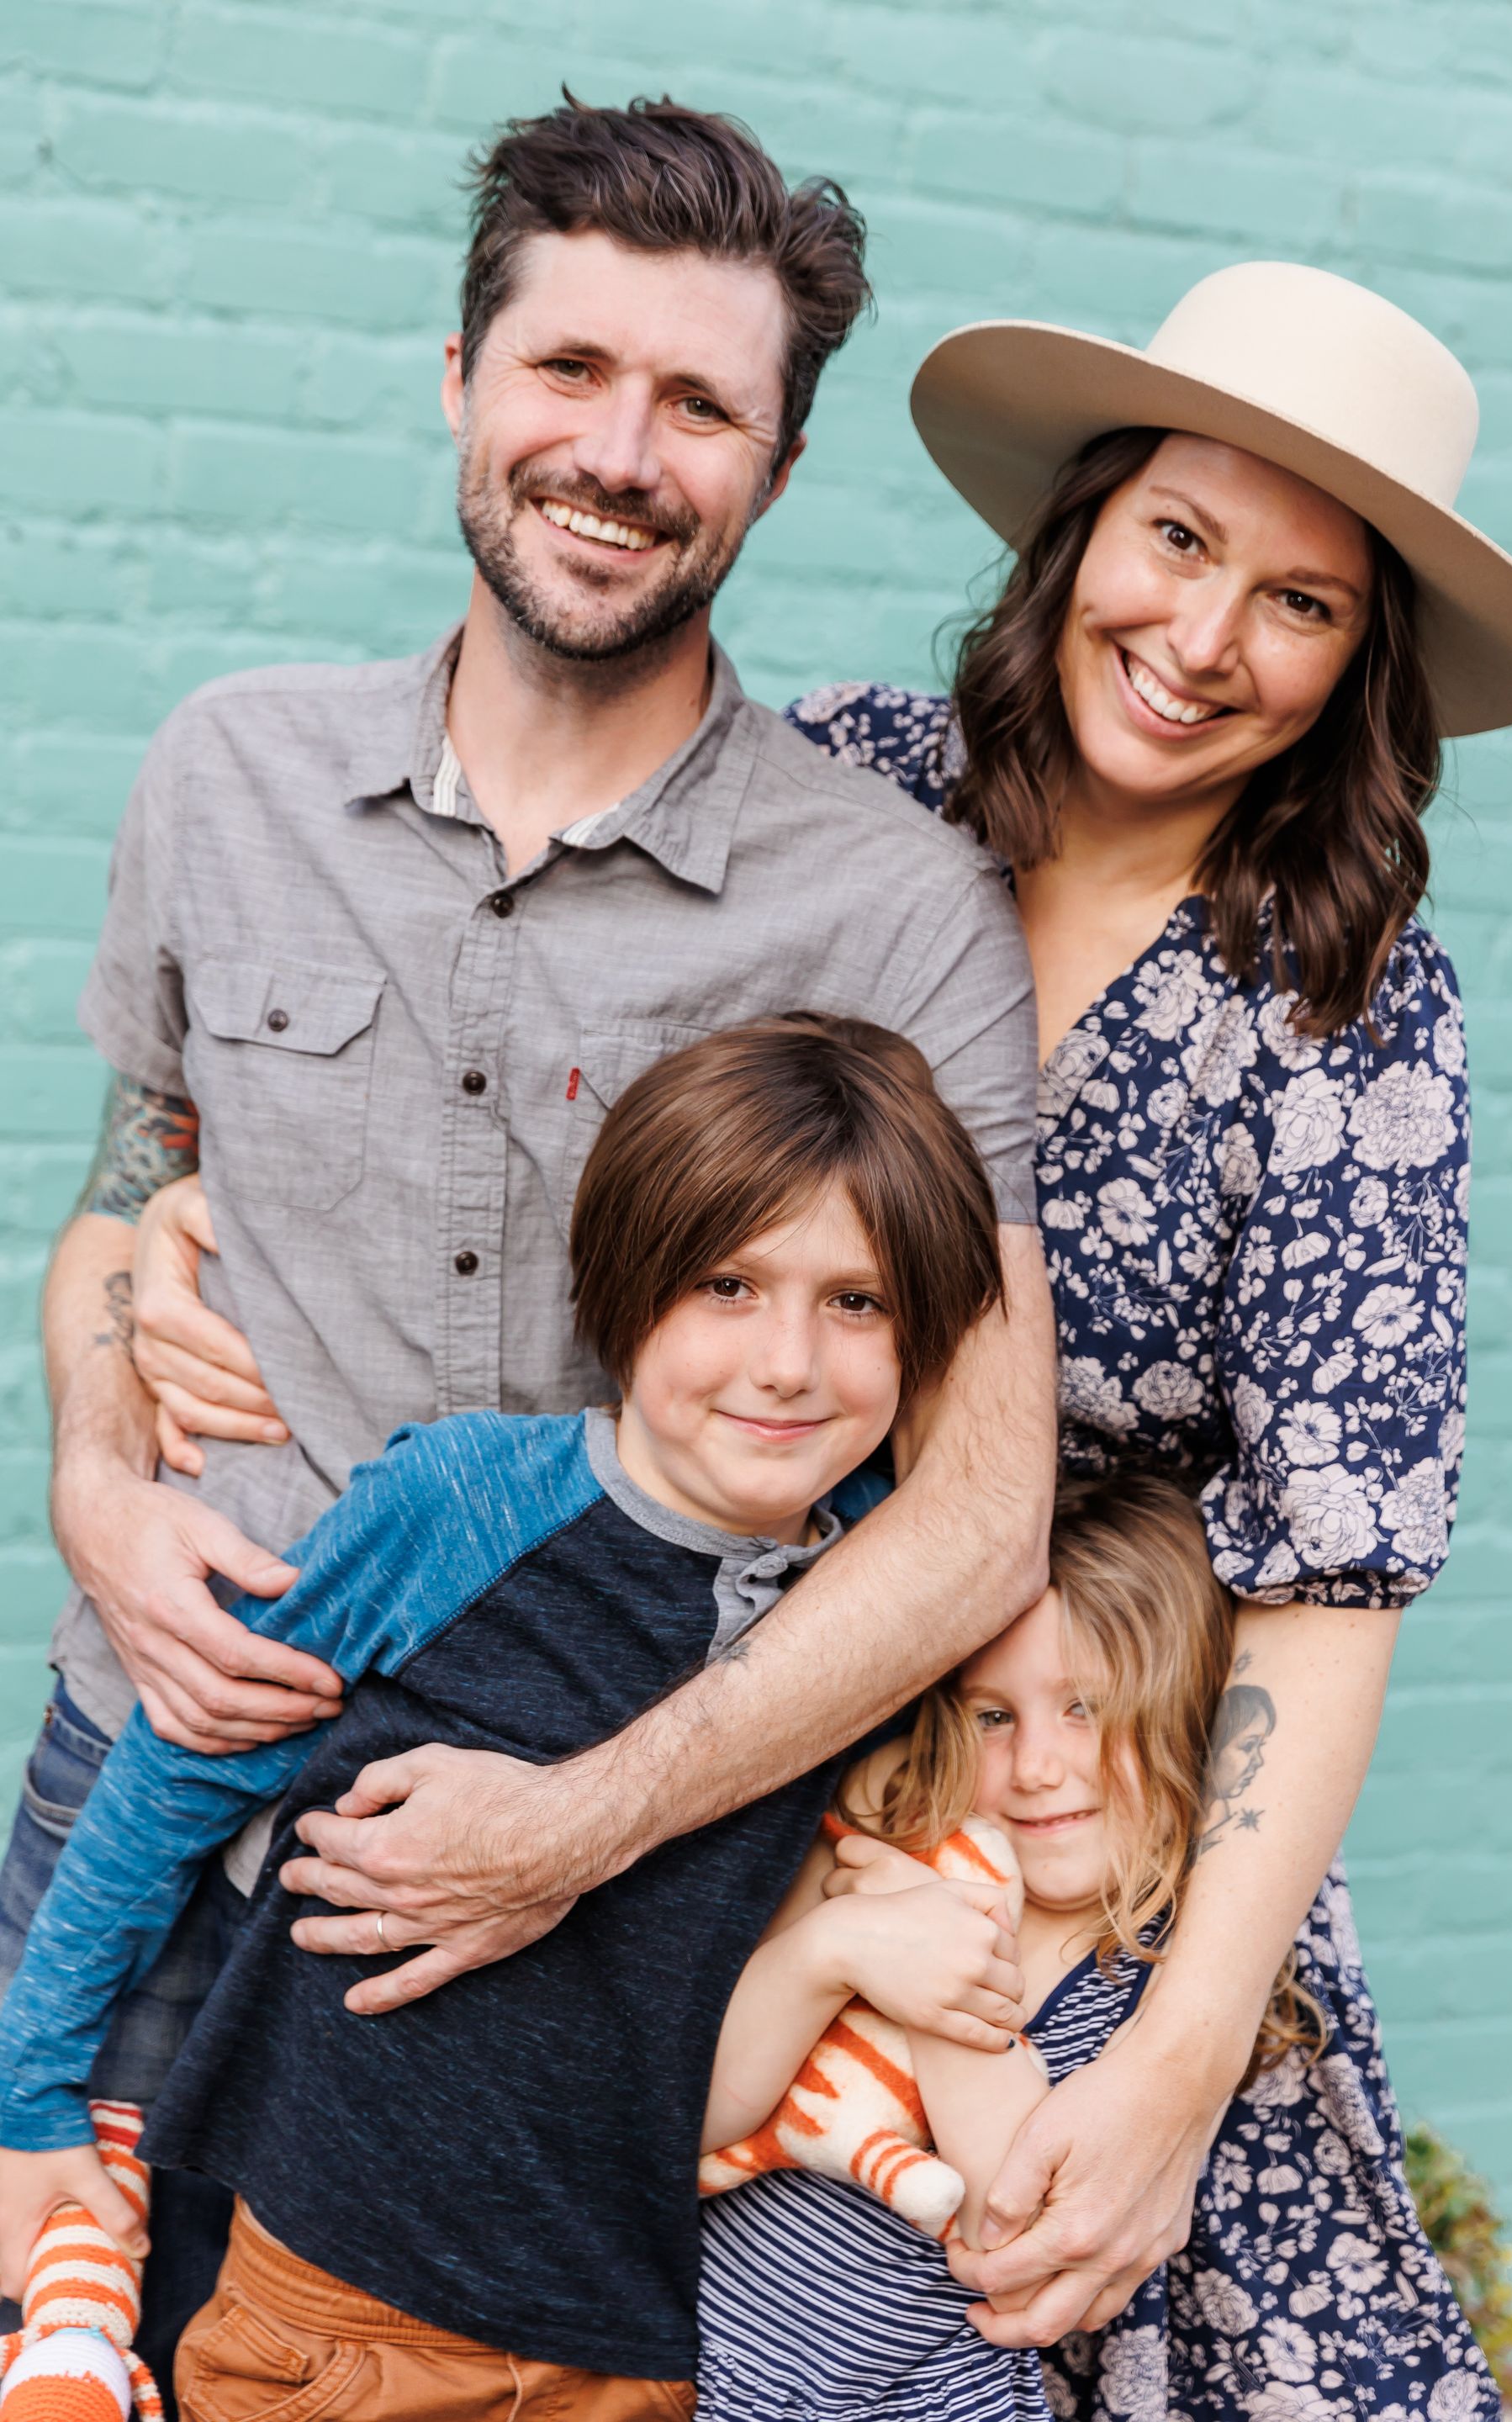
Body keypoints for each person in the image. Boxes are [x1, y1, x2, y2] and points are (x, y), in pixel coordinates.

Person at [0, 92, 1051, 2385]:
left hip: (560, 1883)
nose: (621, 451)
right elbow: (123, 1204)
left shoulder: (894, 913)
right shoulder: (226, 774)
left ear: (776, 467)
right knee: (63, 2345)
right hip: (151, 1767)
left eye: (701, 405)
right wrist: (94, 1473)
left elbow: (985, 1510)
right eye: (569, 368)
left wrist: (580, 1824)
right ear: (461, 377)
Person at [776, 261, 1512, 2380]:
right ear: (1082, 527)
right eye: (1180, 538)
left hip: (1095, 1845)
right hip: (745, 1756)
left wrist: (1181, 2056)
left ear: (1359, 666)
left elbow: (1331, 1570)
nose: (1207, 639)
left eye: (1300, 602)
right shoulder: (842, 785)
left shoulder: (1341, 1003)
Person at [0, 1016, 1018, 2422]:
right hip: (340, 2322)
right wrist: (32, 2091)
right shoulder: (467, 1503)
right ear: (631, 1279)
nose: (789, 1361)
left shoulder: (875, 1598)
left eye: (858, 1302)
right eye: (728, 1284)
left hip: (631, 2338)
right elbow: (177, 1774)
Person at [693, 1472, 1498, 2421]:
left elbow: (1015, 2233)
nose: (1037, 1767)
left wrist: (948, 1972)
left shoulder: (1160, 1968)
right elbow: (697, 2115)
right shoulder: (893, 1839)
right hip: (690, 2373)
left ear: (1188, 1716)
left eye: (1087, 1708)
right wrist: (831, 1948)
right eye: (995, 1716)